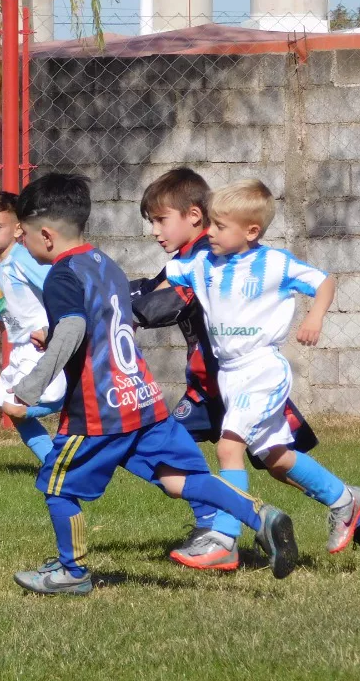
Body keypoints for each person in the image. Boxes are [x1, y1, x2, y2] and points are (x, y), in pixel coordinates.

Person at [1, 174, 300, 596]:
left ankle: (71, 572)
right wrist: (57, 335)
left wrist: (31, 385)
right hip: (142, 402)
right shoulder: (103, 263)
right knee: (178, 478)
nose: (21, 241)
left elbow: (72, 327)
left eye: (24, 234)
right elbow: (101, 321)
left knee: (58, 488)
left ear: (46, 235)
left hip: (99, 412)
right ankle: (261, 515)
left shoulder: (60, 276)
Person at [159, 179, 360, 569]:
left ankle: (224, 538)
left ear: (251, 231)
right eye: (209, 223)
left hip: (262, 370)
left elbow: (324, 281)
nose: (209, 232)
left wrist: (314, 317)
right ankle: (351, 504)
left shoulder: (275, 264)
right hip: (230, 376)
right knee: (276, 458)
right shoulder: (202, 264)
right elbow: (162, 282)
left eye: (219, 226)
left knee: (228, 448)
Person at [131, 167, 320, 571]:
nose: (154, 232)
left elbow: (165, 302)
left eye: (160, 220)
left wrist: (125, 314)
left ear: (193, 216)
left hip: (234, 383)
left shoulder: (209, 256)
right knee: (173, 452)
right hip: (210, 386)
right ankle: (219, 528)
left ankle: (225, 530)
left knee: (273, 460)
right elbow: (149, 290)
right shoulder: (191, 256)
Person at [0, 190, 65, 463]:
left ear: (19, 229)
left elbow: (59, 289)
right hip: (21, 351)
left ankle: (70, 398)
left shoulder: (24, 260)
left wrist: (51, 330)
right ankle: (54, 465)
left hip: (41, 348)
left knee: (17, 408)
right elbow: (5, 316)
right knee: (8, 407)